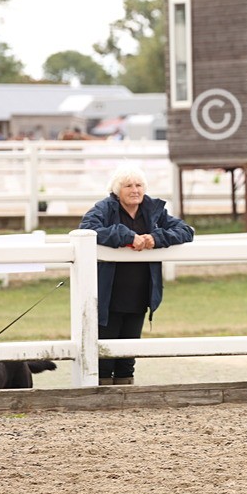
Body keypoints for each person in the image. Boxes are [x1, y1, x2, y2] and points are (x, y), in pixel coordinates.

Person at [79, 164, 194, 385]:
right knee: (105, 356)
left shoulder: (154, 210)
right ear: (117, 190)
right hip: (108, 296)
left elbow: (185, 231)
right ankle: (102, 397)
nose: (135, 190)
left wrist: (156, 238)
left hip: (140, 294)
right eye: (128, 186)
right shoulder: (104, 208)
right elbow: (87, 229)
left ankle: (127, 396)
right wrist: (126, 236)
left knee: (128, 356)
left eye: (139, 185)